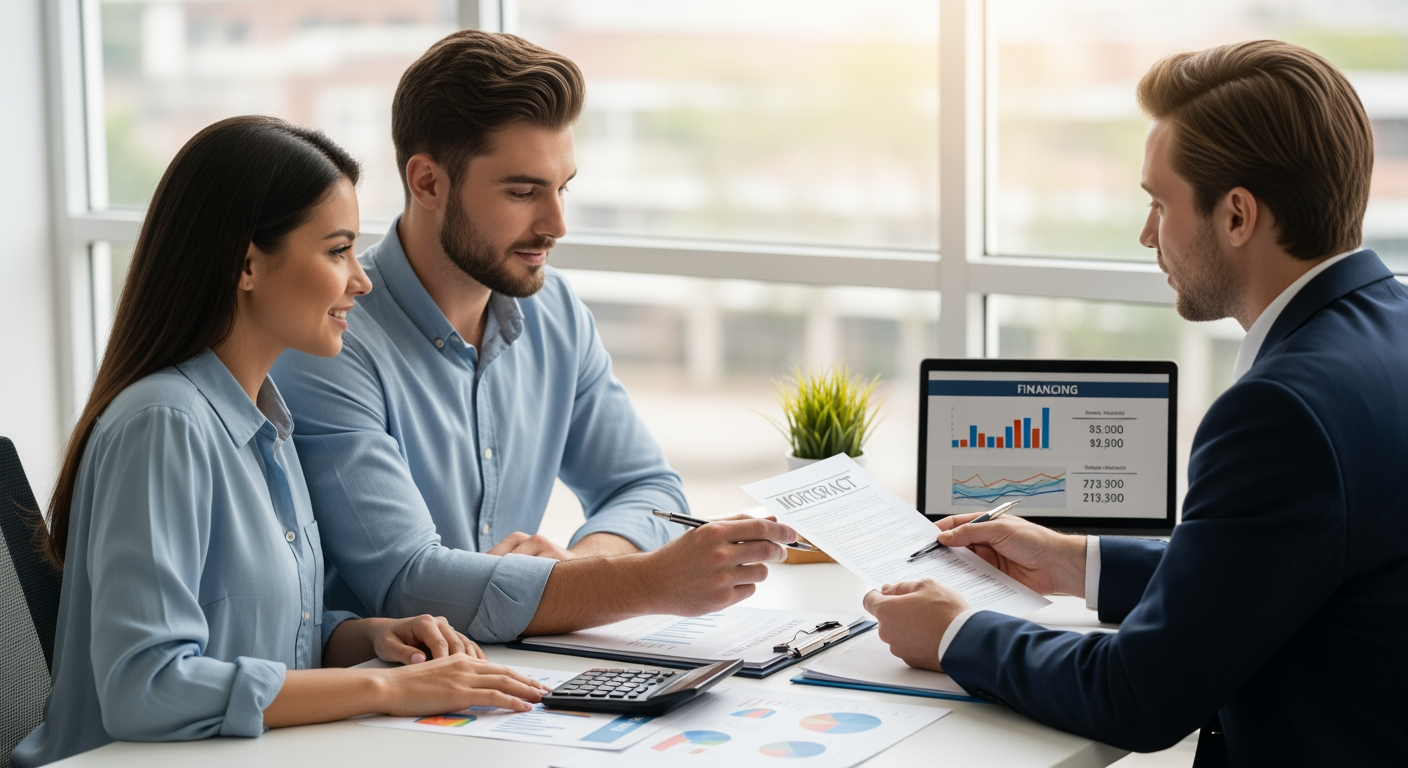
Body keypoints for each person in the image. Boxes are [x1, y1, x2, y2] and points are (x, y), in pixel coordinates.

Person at [862, 40, 1407, 766]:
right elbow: (1282, 570)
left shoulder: (1281, 411)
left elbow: (1139, 695)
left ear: (1238, 215)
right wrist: (1076, 562)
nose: (1148, 234)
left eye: (1159, 203)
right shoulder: (1389, 333)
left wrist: (956, 635)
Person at [15, 116, 550, 767]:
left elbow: (256, 637)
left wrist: (365, 639)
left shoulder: (266, 422)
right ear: (247, 263)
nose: (362, 279)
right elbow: (147, 687)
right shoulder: (164, 425)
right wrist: (383, 688)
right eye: (336, 251)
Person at [270, 30, 795, 643]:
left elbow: (644, 486)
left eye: (562, 187)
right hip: (374, 699)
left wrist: (584, 564)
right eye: (522, 192)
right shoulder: (328, 339)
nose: (556, 224)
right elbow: (408, 581)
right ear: (428, 183)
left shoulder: (554, 311)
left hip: (507, 680)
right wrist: (644, 581)